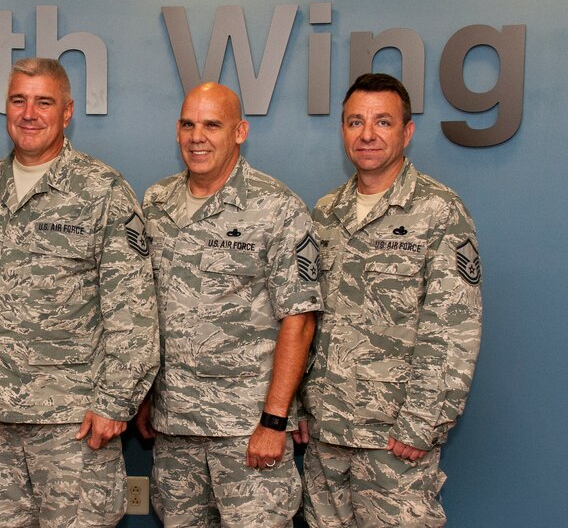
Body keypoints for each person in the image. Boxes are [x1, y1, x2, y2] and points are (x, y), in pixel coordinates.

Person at [0, 58, 159, 527]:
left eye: (43, 101)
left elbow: (134, 310)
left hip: (75, 422)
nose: (29, 113)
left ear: (67, 112)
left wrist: (114, 402)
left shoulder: (102, 189)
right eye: (18, 100)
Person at [296, 73, 483, 527]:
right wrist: (301, 405)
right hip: (327, 433)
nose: (367, 134)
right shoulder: (325, 212)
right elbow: (306, 317)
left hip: (394, 437)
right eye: (355, 122)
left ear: (407, 130)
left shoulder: (439, 211)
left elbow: (453, 326)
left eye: (383, 122)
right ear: (342, 129)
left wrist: (422, 422)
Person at [134, 82, 321, 526]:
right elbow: (146, 310)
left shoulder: (278, 208)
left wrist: (275, 422)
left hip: (247, 432)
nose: (197, 136)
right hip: (175, 429)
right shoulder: (156, 203)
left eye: (211, 125)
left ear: (240, 132)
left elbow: (300, 319)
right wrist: (144, 396)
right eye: (187, 124)